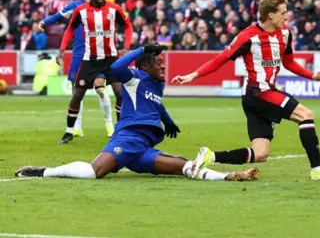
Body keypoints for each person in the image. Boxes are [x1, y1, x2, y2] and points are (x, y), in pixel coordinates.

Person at [16, 44, 259, 182]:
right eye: (158, 63)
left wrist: (168, 121)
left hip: (143, 147)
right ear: (144, 65)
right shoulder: (134, 77)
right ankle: (43, 171)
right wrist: (141, 49)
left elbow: (156, 104)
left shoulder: (156, 84)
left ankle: (229, 176)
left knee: (186, 167)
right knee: (93, 172)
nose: (163, 65)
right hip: (128, 137)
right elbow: (115, 67)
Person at [172, 0, 320, 181]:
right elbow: (221, 59)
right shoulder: (248, 37)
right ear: (270, 14)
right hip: (259, 93)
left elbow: (289, 63)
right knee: (306, 115)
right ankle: (318, 170)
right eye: (283, 13)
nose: (286, 17)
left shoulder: (285, 34)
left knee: (260, 154)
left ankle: (209, 156)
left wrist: (314, 76)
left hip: (258, 96)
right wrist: (193, 75)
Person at [56, 0, 133, 144]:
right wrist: (62, 50)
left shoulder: (114, 9)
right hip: (90, 60)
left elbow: (128, 26)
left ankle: (119, 130)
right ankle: (69, 131)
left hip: (111, 59)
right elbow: (70, 29)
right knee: (77, 94)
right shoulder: (81, 10)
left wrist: (126, 46)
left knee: (120, 93)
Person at [40, 0, 114, 138]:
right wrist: (44, 22)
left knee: (100, 87)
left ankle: (109, 124)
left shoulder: (104, 7)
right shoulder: (76, 6)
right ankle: (77, 128)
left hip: (97, 55)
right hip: (79, 54)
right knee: (77, 92)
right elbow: (59, 15)